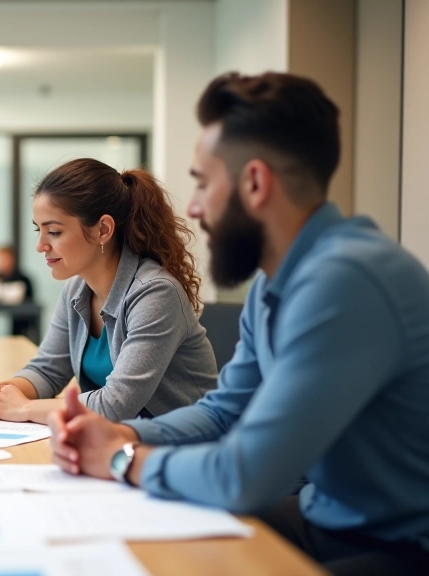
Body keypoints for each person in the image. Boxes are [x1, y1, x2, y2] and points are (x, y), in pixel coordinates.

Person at [48, 72, 429, 575]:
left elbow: (245, 474)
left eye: (203, 183)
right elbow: (224, 414)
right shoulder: (276, 284)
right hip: (330, 515)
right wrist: (122, 437)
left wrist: (121, 461)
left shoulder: (346, 282)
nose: (195, 207)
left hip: (399, 544)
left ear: (254, 182)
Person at [0, 158, 218, 425]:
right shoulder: (77, 289)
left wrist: (24, 409)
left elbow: (115, 405)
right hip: (120, 441)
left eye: (53, 231)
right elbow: (47, 370)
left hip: (186, 448)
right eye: (38, 230)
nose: (40, 245)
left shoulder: (156, 293)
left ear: (103, 230)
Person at [0, 245, 36, 337]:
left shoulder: (23, 280)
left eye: (5, 259)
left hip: (20, 324)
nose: (2, 262)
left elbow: (20, 299)